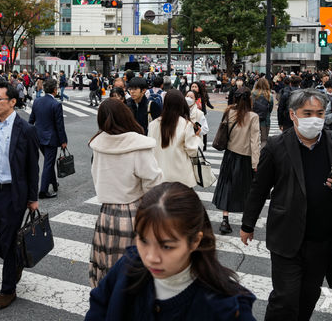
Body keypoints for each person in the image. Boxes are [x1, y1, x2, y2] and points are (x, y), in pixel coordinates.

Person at [240, 89, 332, 321]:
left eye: (319, 113)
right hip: (286, 236)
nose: (314, 119)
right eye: (307, 113)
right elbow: (259, 188)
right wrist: (248, 224)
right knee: (285, 298)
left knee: (309, 294)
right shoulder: (276, 146)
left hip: (323, 238)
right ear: (293, 114)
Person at [86, 182, 257, 320]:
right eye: (144, 240)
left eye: (167, 246)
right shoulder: (128, 265)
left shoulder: (227, 308)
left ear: (195, 241)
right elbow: (99, 304)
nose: (151, 257)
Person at [88, 98, 163, 287]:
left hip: (106, 213)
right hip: (134, 211)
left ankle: (108, 305)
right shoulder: (138, 145)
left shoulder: (98, 143)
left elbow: (96, 175)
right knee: (132, 269)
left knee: (108, 267)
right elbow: (154, 183)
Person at [0, 82, 40, 311]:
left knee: (7, 238)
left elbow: (33, 166)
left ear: (13, 102)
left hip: (14, 194)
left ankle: (8, 290)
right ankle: (15, 261)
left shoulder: (26, 130)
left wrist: (32, 198)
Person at [212, 87, 260, 234]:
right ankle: (246, 220)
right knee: (246, 189)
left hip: (230, 155)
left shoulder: (229, 112)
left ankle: (225, 220)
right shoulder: (253, 117)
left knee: (227, 186)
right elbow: (255, 142)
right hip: (245, 157)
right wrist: (256, 163)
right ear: (249, 99)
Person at [147, 90, 201, 188]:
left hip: (159, 177)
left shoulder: (153, 125)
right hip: (181, 178)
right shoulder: (186, 125)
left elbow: (150, 150)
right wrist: (197, 137)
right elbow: (193, 151)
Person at [28, 78, 67, 199]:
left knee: (48, 162)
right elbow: (59, 125)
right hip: (51, 138)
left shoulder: (37, 101)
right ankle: (43, 190)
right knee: (48, 164)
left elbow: (31, 121)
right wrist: (63, 141)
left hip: (38, 137)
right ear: (55, 90)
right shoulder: (56, 104)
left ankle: (54, 184)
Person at [251, 77, 274, 146]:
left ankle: (254, 155)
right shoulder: (269, 95)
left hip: (254, 118)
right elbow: (270, 108)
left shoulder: (253, 94)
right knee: (264, 140)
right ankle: (262, 155)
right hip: (265, 119)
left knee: (254, 139)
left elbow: (251, 106)